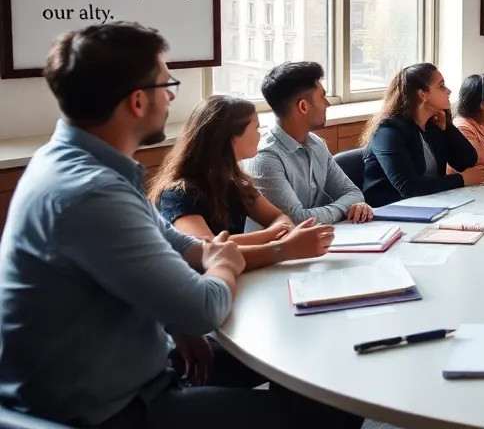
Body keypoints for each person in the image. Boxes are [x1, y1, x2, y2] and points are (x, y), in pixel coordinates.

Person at [0, 23, 360, 428]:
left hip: (129, 369)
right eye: (165, 83)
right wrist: (224, 264)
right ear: (138, 101)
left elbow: (181, 248)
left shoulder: (77, 164)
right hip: (107, 409)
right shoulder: (92, 192)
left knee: (299, 352)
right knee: (334, 407)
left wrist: (188, 305)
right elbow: (202, 307)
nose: (171, 95)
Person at [147, 95, 337, 270]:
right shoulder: (177, 193)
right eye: (255, 128)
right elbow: (208, 249)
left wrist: (276, 233)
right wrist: (277, 242)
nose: (259, 134)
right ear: (232, 139)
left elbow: (279, 218)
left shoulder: (234, 182)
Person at [249, 61, 373, 225]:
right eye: (322, 97)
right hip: (279, 248)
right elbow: (296, 220)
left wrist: (350, 205)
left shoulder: (316, 144)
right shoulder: (265, 157)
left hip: (320, 241)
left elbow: (354, 194)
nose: (327, 104)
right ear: (303, 106)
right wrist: (345, 209)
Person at [361, 62, 484, 208]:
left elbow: (468, 161)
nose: (449, 91)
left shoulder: (433, 124)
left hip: (429, 204)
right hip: (389, 211)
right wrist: (461, 179)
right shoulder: (387, 131)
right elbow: (408, 187)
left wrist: (448, 128)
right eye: (441, 86)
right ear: (422, 95)